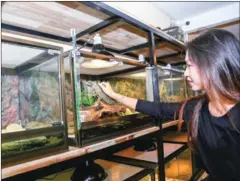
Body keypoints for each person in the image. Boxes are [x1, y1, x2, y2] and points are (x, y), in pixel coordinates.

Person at [99, 29, 240, 181]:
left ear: (211, 64)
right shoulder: (196, 109)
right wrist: (114, 95)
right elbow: (157, 108)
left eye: (189, 65)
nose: (185, 73)